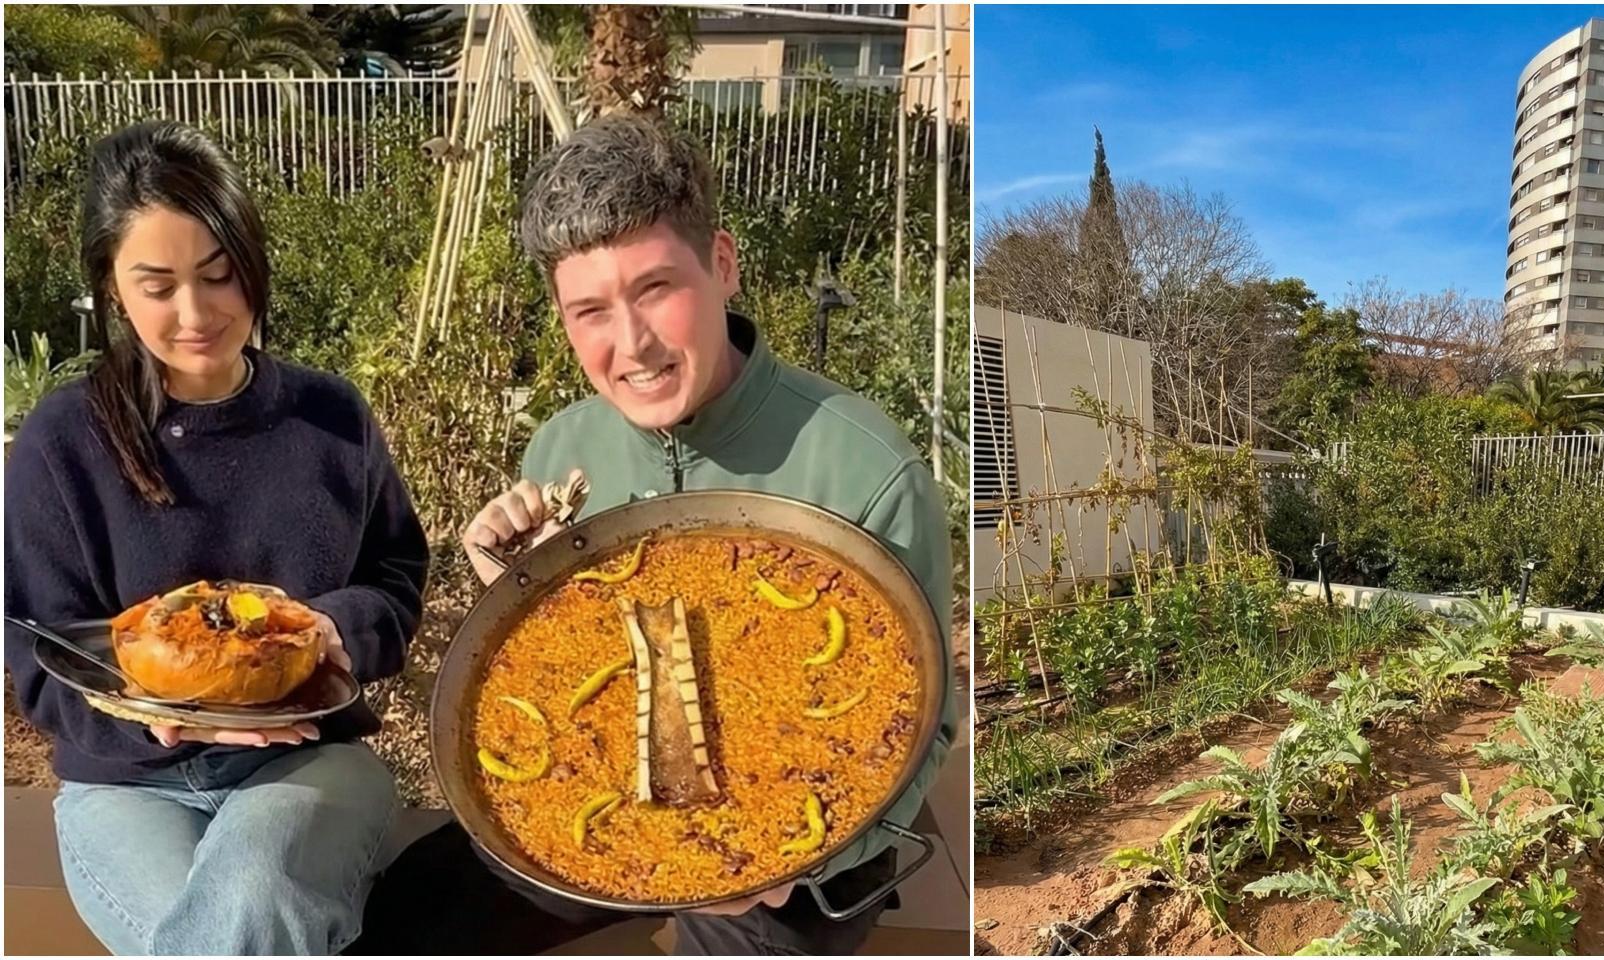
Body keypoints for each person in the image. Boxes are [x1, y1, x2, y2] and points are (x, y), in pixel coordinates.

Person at [355, 115, 955, 955]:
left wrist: (824, 846)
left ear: (722, 263)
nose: (630, 345)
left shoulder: (865, 465)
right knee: (402, 921)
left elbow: (929, 723)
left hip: (794, 849)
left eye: (655, 289)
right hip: (605, 807)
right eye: (590, 309)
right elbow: (575, 672)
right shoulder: (563, 446)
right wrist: (515, 590)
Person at [2, 120, 429, 955]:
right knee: (222, 937)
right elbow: (33, 650)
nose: (194, 313)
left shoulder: (330, 420)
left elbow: (397, 574)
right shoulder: (61, 444)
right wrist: (155, 720)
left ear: (251, 261)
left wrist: (330, 628)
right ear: (111, 288)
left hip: (308, 762)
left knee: (256, 891)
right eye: (156, 285)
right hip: (127, 783)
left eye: (218, 274)